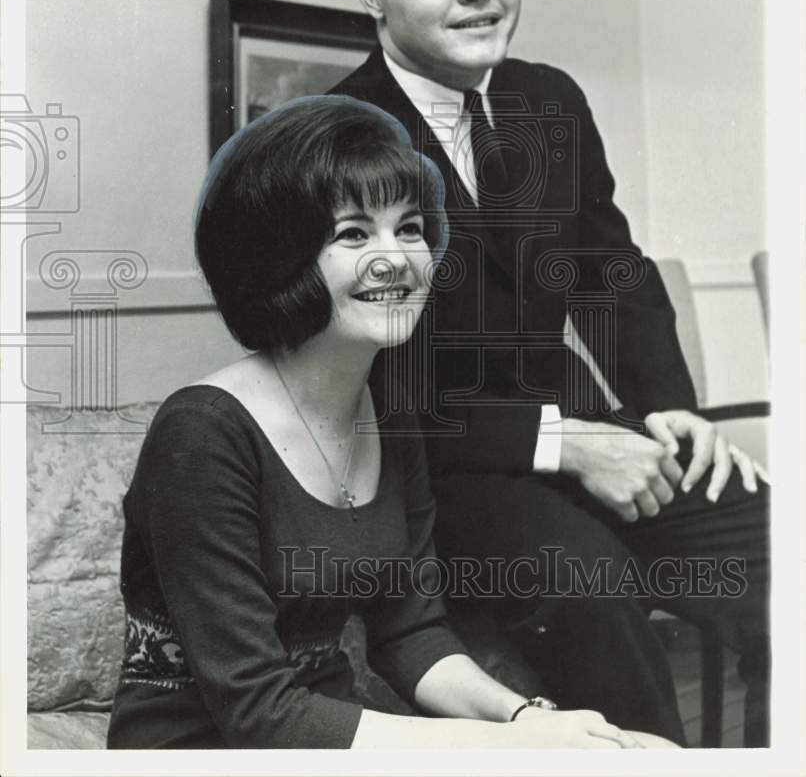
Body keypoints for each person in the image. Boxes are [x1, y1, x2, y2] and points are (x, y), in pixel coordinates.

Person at [329, 0, 770, 746]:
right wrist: (566, 445)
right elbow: (369, 390)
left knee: (773, 538)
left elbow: (614, 270)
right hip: (443, 479)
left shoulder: (548, 99)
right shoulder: (336, 136)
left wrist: (668, 408)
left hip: (598, 433)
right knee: (589, 581)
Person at [106, 95, 673, 750]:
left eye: (410, 228)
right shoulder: (202, 435)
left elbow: (412, 634)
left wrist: (531, 719)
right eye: (353, 233)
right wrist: (513, 750)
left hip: (333, 735)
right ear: (280, 259)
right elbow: (261, 713)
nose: (397, 257)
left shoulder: (396, 422)